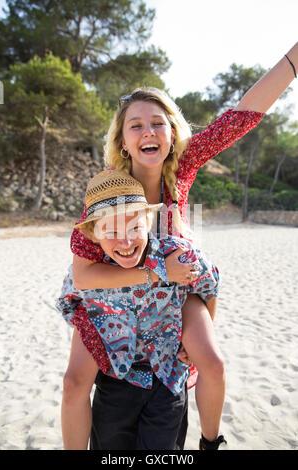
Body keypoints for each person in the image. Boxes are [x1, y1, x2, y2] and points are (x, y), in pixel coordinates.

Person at [68, 43, 298, 447]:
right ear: (122, 140)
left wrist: (292, 62)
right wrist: (151, 269)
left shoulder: (183, 167)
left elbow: (241, 117)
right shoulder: (109, 187)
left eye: (158, 123)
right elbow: (82, 271)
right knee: (73, 382)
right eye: (135, 126)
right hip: (116, 290)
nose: (148, 132)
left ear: (172, 133)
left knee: (212, 361)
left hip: (176, 284)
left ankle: (211, 443)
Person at [57, 169, 221, 450]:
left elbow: (209, 284)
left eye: (134, 227)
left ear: (148, 222)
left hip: (166, 379)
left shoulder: (177, 255)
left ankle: (211, 442)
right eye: (111, 231)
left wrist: (192, 339)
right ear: (93, 235)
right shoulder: (89, 276)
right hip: (117, 380)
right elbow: (72, 307)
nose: (125, 241)